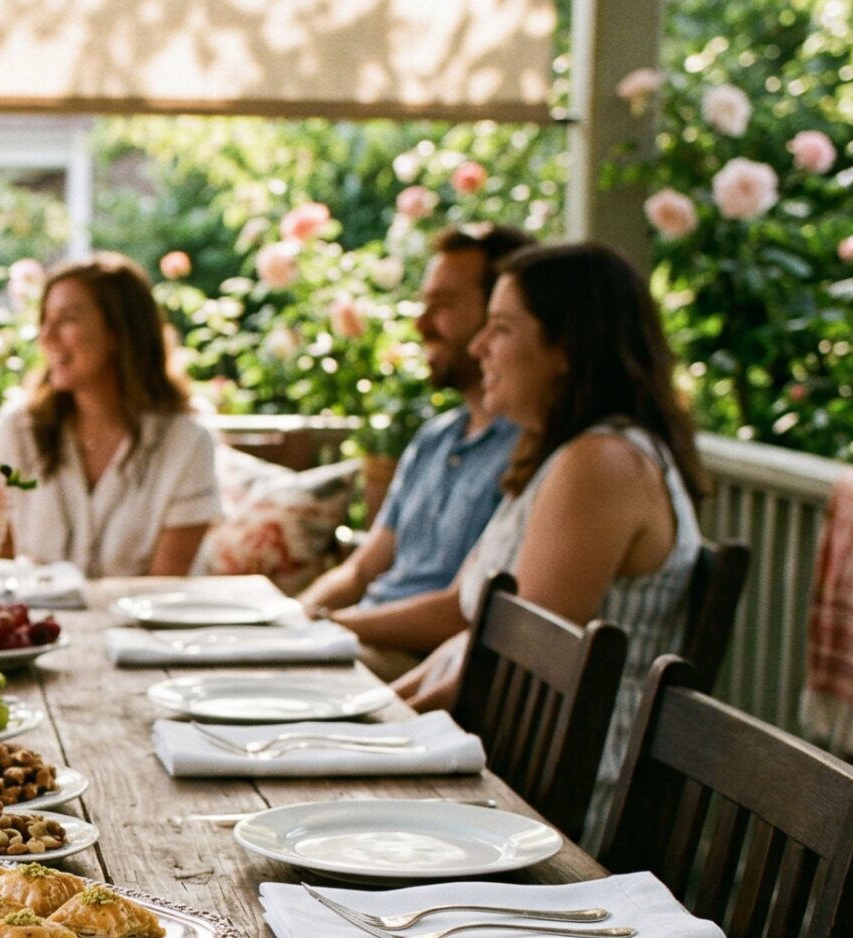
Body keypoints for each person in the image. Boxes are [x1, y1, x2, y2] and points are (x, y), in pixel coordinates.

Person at [395, 240, 710, 834]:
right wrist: (384, 711)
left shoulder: (602, 465)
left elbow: (514, 670)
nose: (479, 346)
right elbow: (472, 631)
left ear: (567, 348)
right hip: (501, 772)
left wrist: (374, 735)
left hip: (551, 808)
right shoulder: (557, 456)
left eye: (502, 329)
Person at [304, 225, 534, 679]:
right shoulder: (436, 439)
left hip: (422, 664)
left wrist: (327, 628)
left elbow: (463, 613)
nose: (422, 322)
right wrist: (293, 619)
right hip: (360, 643)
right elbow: (360, 572)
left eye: (443, 305)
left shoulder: (533, 450)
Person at [0, 253, 221, 578]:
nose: (46, 338)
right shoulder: (18, 430)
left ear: (119, 332)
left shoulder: (187, 443)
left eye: (67, 319)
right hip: (38, 627)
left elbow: (164, 591)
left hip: (147, 629)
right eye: (45, 320)